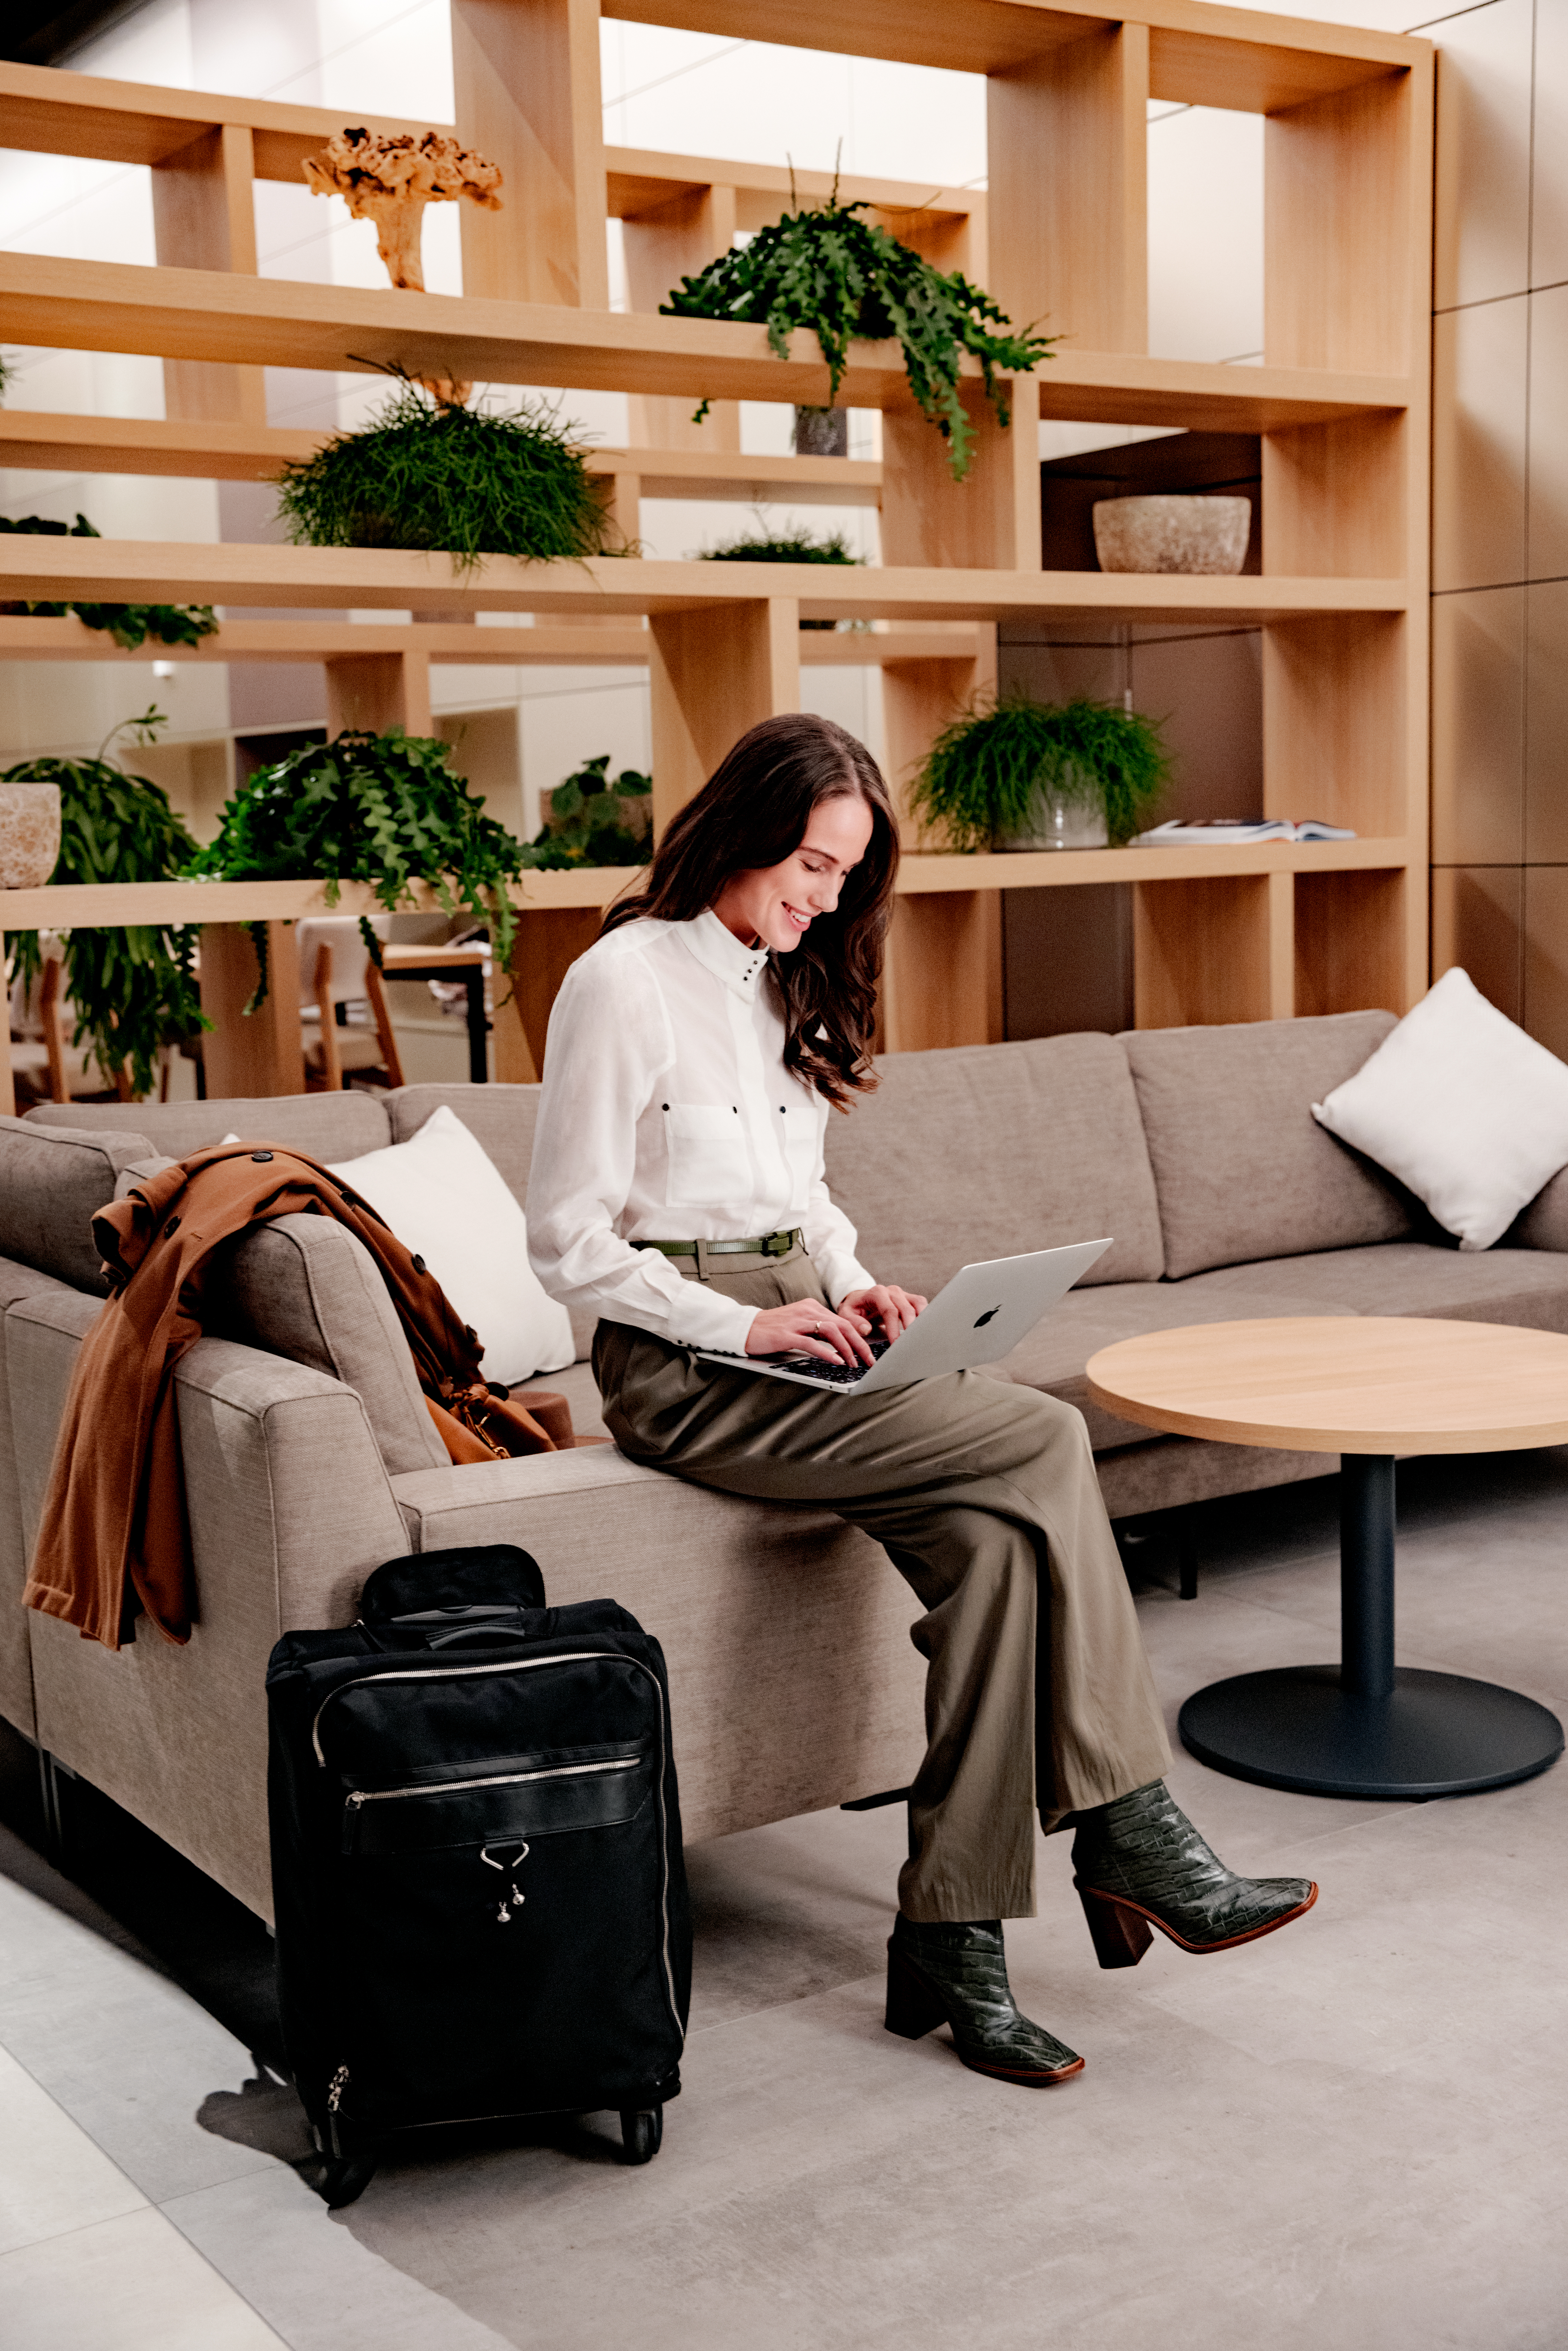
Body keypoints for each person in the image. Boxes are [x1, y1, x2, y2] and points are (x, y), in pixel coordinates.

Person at [528, 713, 1315, 2087]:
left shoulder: (782, 984)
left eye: (845, 875)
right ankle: (1128, 1825)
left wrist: (858, 1287)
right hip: (682, 1368)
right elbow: (567, 1242)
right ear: (742, 833)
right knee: (1045, 1431)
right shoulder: (622, 983)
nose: (825, 898)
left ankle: (951, 1940)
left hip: (801, 1329)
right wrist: (742, 1323)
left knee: (997, 1557)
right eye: (810, 865)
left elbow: (805, 1200)